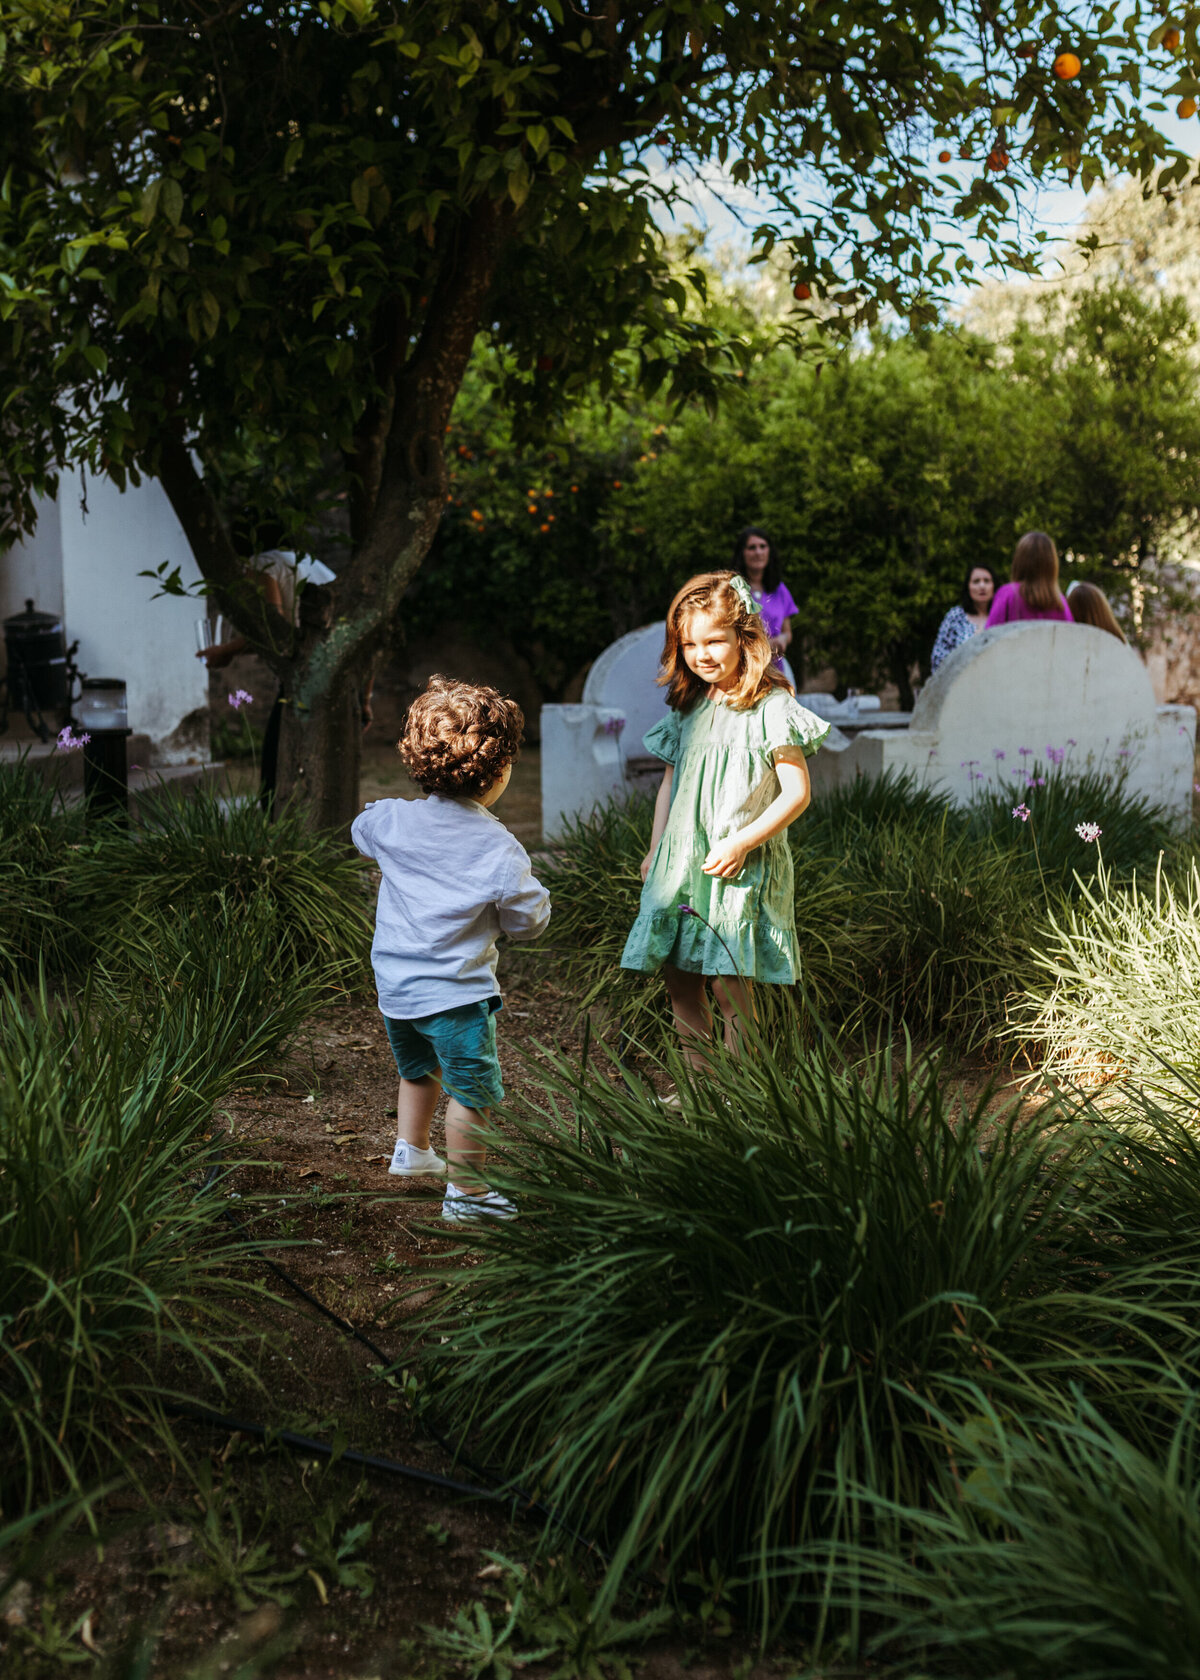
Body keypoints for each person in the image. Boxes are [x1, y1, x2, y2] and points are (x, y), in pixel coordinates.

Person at [351, 676, 550, 1222]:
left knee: (418, 1070)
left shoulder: (389, 820)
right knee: (472, 1092)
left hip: (396, 988)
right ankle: (469, 1195)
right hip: (456, 994)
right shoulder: (498, 848)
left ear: (417, 761)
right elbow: (528, 921)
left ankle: (412, 1151)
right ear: (500, 770)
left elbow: (360, 828)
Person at [620, 571, 829, 1065]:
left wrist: (742, 843)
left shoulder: (771, 706)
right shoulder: (689, 704)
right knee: (681, 980)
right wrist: (655, 849)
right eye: (690, 643)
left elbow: (797, 792)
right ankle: (700, 1090)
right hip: (682, 860)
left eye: (715, 640)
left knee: (728, 985)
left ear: (744, 636)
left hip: (739, 866)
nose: (703, 654)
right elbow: (670, 785)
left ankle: (740, 1092)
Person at [732, 526, 799, 687]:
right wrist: (764, 645)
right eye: (752, 547)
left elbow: (787, 632)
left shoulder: (779, 590)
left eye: (763, 546)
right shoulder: (733, 589)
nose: (758, 552)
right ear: (742, 553)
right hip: (742, 674)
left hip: (774, 673)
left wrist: (782, 639)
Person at [986, 531, 1073, 627]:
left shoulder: (1007, 594)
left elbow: (989, 637)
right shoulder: (1060, 602)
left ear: (1019, 559)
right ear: (1052, 563)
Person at [930, 563, 998, 671]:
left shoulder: (1003, 615)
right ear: (968, 587)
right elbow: (938, 659)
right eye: (976, 581)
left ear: (994, 586)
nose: (982, 586)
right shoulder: (956, 617)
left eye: (987, 581)